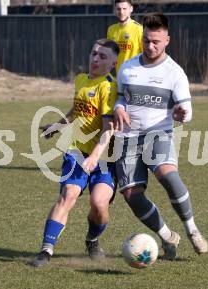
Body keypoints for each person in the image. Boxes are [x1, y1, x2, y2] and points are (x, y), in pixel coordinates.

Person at [113, 12, 208, 260]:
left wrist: (181, 113)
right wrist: (120, 108)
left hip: (158, 132)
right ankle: (168, 237)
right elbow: (120, 97)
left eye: (156, 41)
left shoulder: (174, 73)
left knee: (168, 175)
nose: (150, 46)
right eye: (146, 40)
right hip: (127, 138)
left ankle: (192, 230)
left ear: (167, 39)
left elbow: (187, 110)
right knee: (132, 195)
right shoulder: (127, 67)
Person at [33, 39, 119, 267]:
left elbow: (108, 128)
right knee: (68, 195)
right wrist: (57, 126)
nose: (95, 59)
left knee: (99, 204)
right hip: (77, 152)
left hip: (104, 158)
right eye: (93, 54)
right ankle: (46, 250)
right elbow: (76, 111)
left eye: (102, 56)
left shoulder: (109, 87)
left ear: (113, 63)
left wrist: (95, 156)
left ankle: (92, 240)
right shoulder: (81, 80)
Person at [107, 0, 143, 73]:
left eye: (124, 9)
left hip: (134, 76)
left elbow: (146, 56)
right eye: (118, 9)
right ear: (115, 10)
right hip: (117, 76)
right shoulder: (111, 29)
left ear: (131, 9)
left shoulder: (139, 29)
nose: (121, 12)